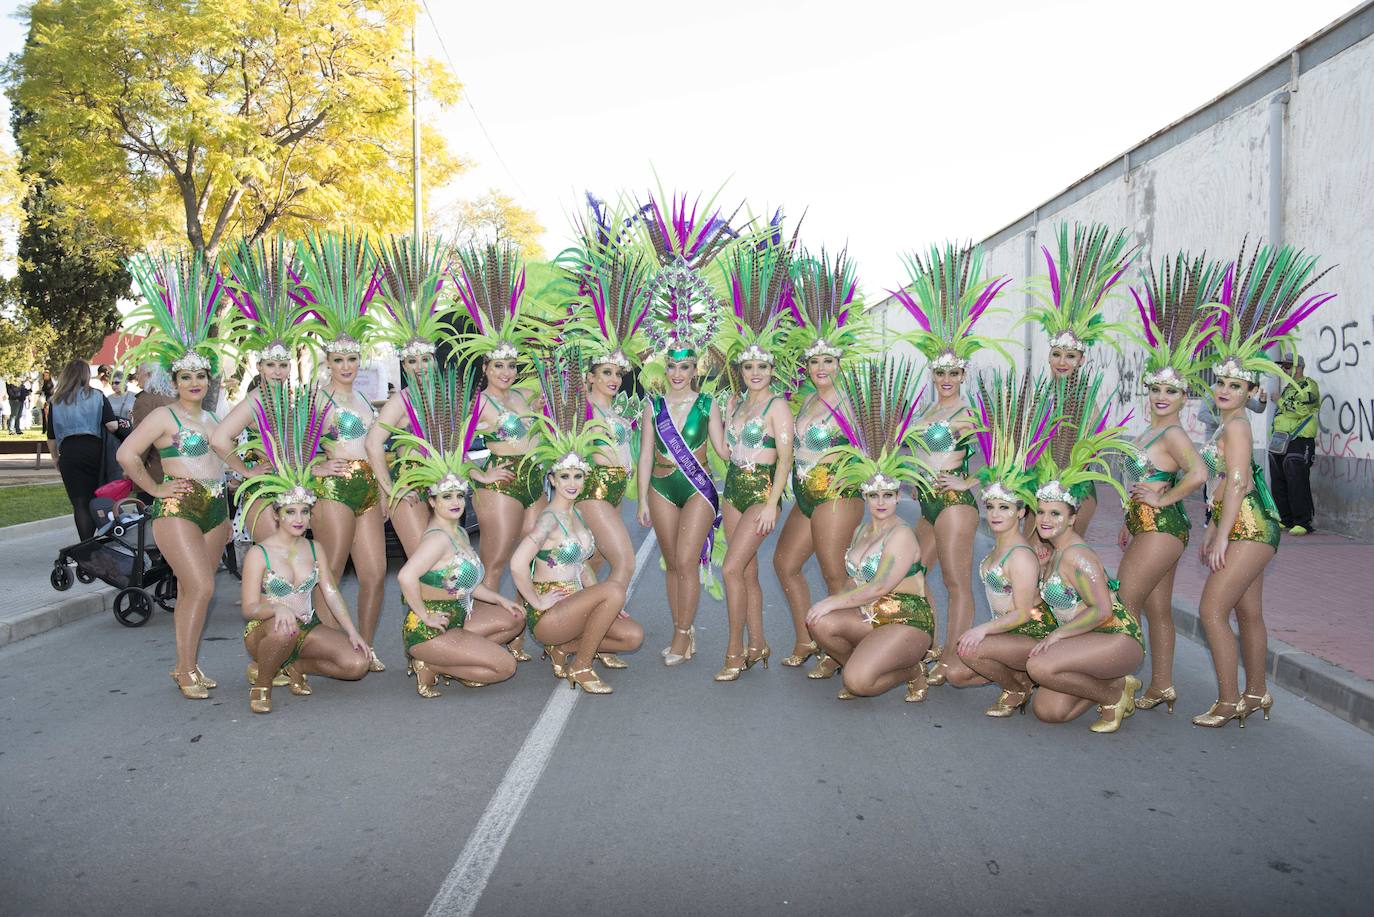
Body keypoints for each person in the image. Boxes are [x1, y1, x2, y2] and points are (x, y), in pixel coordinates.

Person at [1193, 241, 1333, 728]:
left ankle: (1229, 701)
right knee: (1248, 613)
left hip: (1248, 528)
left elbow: (1235, 483)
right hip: (1254, 525)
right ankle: (1257, 693)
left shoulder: (1235, 427)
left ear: (1252, 391)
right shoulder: (1227, 424)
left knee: (1212, 609)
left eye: (1236, 385)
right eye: (1220, 382)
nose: (1224, 389)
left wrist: (1218, 534)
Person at [889, 241, 1010, 689]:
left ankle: (953, 660)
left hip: (956, 505)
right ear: (932, 375)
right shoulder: (925, 414)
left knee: (958, 583)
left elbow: (998, 460)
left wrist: (968, 478)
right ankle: (936, 645)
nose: (945, 380)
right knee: (913, 571)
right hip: (927, 507)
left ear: (963, 375)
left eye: (953, 374)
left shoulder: (969, 413)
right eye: (939, 374)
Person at [117, 251, 232, 699]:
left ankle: (188, 665)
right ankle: (185, 670)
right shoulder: (164, 416)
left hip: (216, 508)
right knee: (201, 586)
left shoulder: (213, 420)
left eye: (200, 375)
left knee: (193, 590)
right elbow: (127, 454)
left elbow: (221, 460)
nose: (194, 383)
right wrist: (154, 488)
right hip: (177, 507)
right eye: (185, 376)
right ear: (175, 380)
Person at [510, 344, 643, 694]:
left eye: (618, 373)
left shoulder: (614, 410)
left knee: (590, 564)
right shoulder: (578, 408)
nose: (614, 379)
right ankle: (582, 658)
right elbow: (535, 419)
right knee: (624, 565)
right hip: (592, 493)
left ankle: (577, 640)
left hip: (612, 494)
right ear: (589, 377)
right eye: (606, 373)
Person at [449, 240, 556, 665]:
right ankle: (484, 637)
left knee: (530, 560)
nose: (506, 372)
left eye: (511, 365)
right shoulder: (481, 405)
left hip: (536, 482)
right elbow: (453, 450)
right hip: (502, 482)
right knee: (494, 561)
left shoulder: (525, 397)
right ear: (485, 369)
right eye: (497, 366)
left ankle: (514, 634)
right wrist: (481, 477)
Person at [234, 383, 371, 713]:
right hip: (266, 631)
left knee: (356, 664)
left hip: (304, 628)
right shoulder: (260, 553)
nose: (298, 519)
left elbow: (331, 593)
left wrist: (354, 633)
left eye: (304, 512)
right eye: (291, 512)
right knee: (285, 629)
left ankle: (296, 666)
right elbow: (249, 608)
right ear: (277, 514)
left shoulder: (314, 549)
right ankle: (263, 684)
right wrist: (275, 608)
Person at [390, 369, 526, 698]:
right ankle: (431, 661)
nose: (454, 503)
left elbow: (472, 584)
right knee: (505, 667)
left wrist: (501, 600)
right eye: (446, 497)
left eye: (458, 496)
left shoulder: (459, 533)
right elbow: (406, 577)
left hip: (459, 616)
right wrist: (423, 614)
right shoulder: (437, 536)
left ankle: (453, 658)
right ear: (432, 500)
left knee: (514, 619)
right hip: (431, 625)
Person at [1116, 253, 1213, 713]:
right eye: (1155, 389)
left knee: (1123, 603)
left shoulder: (1173, 432)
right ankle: (1161, 686)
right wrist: (1128, 518)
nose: (1161, 397)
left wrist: (1163, 495)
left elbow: (1200, 473)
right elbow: (1139, 479)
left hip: (1161, 526)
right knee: (1156, 609)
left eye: (1171, 391)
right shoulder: (1148, 429)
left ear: (1184, 396)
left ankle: (1117, 686)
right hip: (1150, 526)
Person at [805, 354, 933, 702]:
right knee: (820, 624)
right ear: (865, 494)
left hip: (905, 620)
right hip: (871, 616)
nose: (881, 502)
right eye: (874, 494)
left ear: (897, 496)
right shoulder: (863, 530)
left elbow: (877, 587)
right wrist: (831, 607)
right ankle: (861, 665)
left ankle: (910, 668)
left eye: (889, 494)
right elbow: (853, 581)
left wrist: (832, 602)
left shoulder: (902, 534)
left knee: (858, 683)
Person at [297, 228, 388, 672]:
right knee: (327, 573)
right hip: (333, 491)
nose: (348, 367)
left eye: (353, 360)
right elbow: (296, 443)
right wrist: (316, 463)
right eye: (339, 361)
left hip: (368, 488)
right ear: (327, 363)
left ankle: (364, 648)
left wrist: (386, 491)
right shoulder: (318, 398)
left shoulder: (367, 399)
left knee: (373, 574)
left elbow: (374, 445)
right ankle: (321, 647)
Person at [773, 248, 869, 670]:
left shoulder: (849, 402)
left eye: (828, 360)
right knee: (785, 563)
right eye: (814, 361)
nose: (820, 367)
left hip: (836, 497)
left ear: (839, 362)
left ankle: (843, 647)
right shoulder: (810, 398)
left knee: (835, 574)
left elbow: (869, 449)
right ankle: (806, 639)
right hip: (806, 498)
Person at [1026, 408, 1144, 734]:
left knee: (1038, 666)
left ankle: (1112, 694)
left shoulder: (1078, 556)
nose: (1046, 520)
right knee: (1049, 711)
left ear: (1073, 517)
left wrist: (1058, 635)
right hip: (1087, 640)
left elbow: (1104, 610)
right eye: (1041, 512)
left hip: (1115, 638)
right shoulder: (1054, 551)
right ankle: (1113, 681)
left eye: (1055, 514)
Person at [708, 241, 795, 681]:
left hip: (761, 490)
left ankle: (734, 652)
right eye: (748, 368)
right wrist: (713, 416)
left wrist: (773, 502)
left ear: (772, 370)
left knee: (729, 568)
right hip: (733, 490)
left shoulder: (777, 407)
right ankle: (760, 642)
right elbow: (725, 453)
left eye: (762, 368)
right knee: (747, 572)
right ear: (741, 371)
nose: (755, 373)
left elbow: (784, 459)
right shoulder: (739, 406)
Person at [1020, 221, 1137, 536]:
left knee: (1059, 569)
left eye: (1070, 356)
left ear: (1082, 359)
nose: (1062, 362)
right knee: (1031, 565)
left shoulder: (1083, 399)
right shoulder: (1043, 395)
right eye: (1057, 353)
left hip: (1072, 493)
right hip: (1038, 489)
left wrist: (1061, 480)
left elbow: (1094, 449)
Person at [957, 369, 1061, 716]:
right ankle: (1019, 674)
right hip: (1010, 635)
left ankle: (1017, 687)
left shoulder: (1021, 556)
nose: (996, 514)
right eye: (991, 507)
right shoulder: (1000, 545)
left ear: (1021, 511)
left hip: (1032, 634)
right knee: (958, 674)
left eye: (1005, 507)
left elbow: (1021, 612)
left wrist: (984, 629)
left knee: (969, 651)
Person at [635, 292, 719, 667]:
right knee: (672, 563)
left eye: (685, 367)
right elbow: (646, 455)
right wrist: (640, 501)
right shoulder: (652, 406)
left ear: (695, 370)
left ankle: (682, 636)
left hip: (697, 485)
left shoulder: (708, 404)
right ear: (664, 368)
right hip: (662, 487)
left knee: (687, 560)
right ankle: (682, 627)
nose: (677, 373)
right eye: (672, 366)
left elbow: (723, 449)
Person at [211, 234, 312, 543]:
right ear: (259, 367)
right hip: (265, 492)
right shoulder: (256, 400)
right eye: (271, 366)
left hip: (292, 490)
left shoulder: (291, 400)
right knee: (276, 571)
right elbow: (218, 438)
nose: (279, 372)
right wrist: (246, 471)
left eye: (283, 365)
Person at [49, 359, 122, 541]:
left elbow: (50, 435)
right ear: (85, 375)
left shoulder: (56, 401)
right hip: (94, 450)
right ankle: (107, 539)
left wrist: (55, 458)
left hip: (69, 453)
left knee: (79, 503)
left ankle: (86, 545)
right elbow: (112, 426)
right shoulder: (97, 395)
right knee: (99, 497)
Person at [1269, 353, 1320, 535]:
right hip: (1281, 439)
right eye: (1283, 366)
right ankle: (1286, 518)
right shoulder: (1289, 388)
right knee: (1279, 480)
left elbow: (1301, 409)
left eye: (1288, 366)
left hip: (1300, 439)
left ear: (1299, 367)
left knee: (1297, 479)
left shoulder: (1309, 385)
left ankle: (1303, 521)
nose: (1284, 369)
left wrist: (1279, 401)